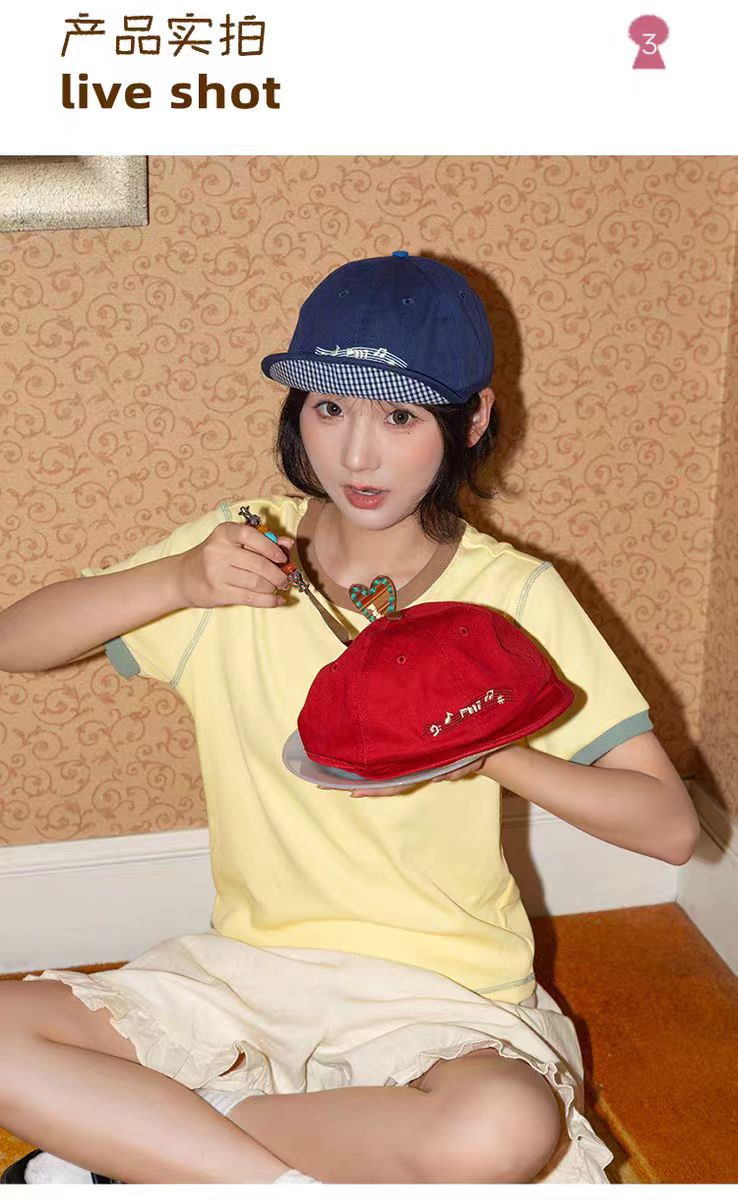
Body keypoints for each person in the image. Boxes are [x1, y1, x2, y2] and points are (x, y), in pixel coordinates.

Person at [0, 252, 699, 1186]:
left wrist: (490, 754)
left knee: (503, 1130)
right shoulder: (241, 551)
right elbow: (17, 642)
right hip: (252, 975)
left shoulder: (513, 595)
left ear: (472, 419)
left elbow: (668, 828)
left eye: (400, 417)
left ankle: (162, 1142)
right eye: (329, 409)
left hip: (447, 994)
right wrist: (174, 580)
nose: (357, 457)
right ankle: (253, 1172)